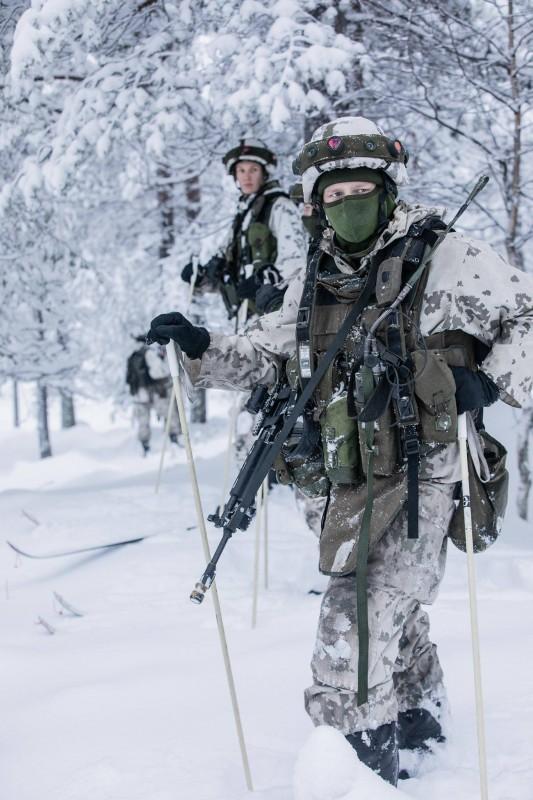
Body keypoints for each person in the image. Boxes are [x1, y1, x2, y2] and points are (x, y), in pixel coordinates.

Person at [147, 116, 533, 785]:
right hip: (339, 480)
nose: (345, 204)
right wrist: (200, 347)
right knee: (393, 613)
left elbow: (525, 315)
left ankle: (351, 773)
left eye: (360, 188)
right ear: (315, 201)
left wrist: (487, 380)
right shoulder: (311, 278)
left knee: (349, 627)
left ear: (387, 189)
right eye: (332, 194)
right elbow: (267, 356)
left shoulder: (444, 257)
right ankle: (421, 727)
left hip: (421, 477)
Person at [181, 138, 305, 320]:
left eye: (253, 170)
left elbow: (295, 263)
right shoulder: (244, 216)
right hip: (246, 317)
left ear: (264, 173)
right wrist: (201, 278)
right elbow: (227, 274)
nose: (247, 176)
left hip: (277, 315)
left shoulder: (280, 206)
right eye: (241, 170)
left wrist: (261, 282)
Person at [126, 337, 180, 455]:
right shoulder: (149, 353)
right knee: (169, 414)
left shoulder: (132, 357)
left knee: (143, 420)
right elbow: (157, 373)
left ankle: (145, 445)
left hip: (139, 394)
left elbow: (128, 378)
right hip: (154, 392)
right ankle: (173, 439)